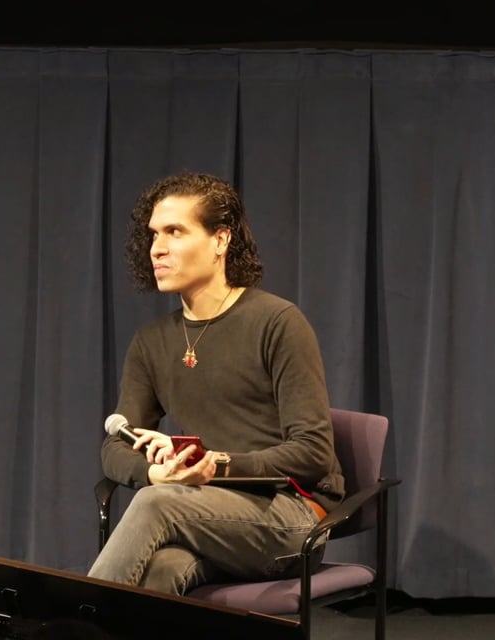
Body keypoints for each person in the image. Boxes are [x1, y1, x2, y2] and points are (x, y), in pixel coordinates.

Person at [88, 172, 345, 595]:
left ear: (220, 240)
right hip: (204, 513)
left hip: (291, 517)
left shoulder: (278, 323)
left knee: (156, 503)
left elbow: (313, 452)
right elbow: (114, 447)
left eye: (175, 232)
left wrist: (216, 465)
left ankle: (70, 621)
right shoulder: (151, 342)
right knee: (161, 570)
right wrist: (155, 472)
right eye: (154, 234)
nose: (157, 248)